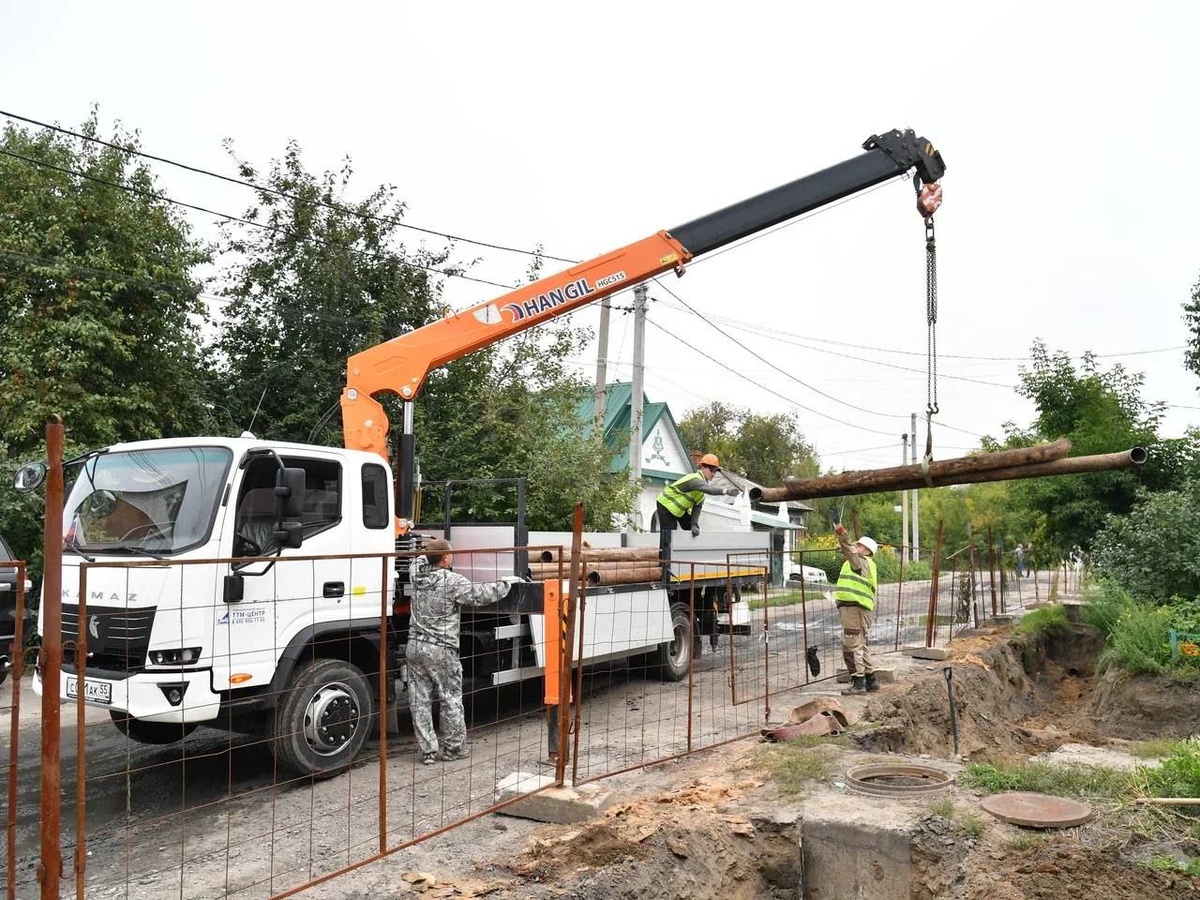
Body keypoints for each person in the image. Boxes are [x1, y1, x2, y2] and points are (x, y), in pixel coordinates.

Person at [407, 538, 523, 764]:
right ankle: (454, 749)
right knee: (450, 699)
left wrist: (429, 549)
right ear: (446, 558)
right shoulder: (452, 582)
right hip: (441, 649)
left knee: (419, 700)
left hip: (414, 646)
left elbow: (419, 559)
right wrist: (507, 583)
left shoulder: (416, 574)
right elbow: (482, 594)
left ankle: (428, 752)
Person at [655, 453, 740, 556]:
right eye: (712, 470)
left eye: (715, 472)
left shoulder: (701, 490)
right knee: (669, 535)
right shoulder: (695, 480)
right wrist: (725, 491)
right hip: (665, 505)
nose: (713, 474)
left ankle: (684, 554)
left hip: (678, 510)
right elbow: (708, 489)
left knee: (692, 528)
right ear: (703, 468)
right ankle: (664, 563)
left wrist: (694, 524)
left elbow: (697, 507)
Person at [833, 523, 879, 695]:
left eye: (859, 545)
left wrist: (840, 532)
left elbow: (849, 548)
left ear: (866, 551)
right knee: (861, 644)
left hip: (854, 608)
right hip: (861, 608)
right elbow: (849, 551)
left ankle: (858, 683)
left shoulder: (860, 561)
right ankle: (871, 680)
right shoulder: (863, 563)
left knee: (852, 644)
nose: (856, 547)